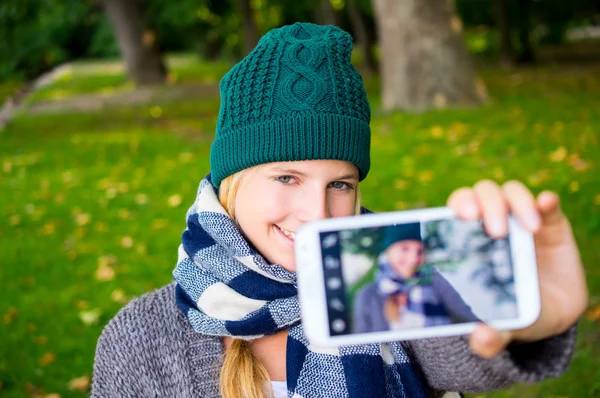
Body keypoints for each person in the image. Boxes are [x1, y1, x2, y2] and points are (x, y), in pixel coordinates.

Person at [92, 23, 588, 398]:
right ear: (231, 184)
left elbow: (466, 348)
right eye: (286, 177)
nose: (319, 213)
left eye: (340, 184)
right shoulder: (141, 340)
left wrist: (531, 312)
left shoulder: (392, 282)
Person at [354, 223, 479, 333]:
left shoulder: (433, 280)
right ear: (388, 251)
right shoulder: (367, 294)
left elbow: (466, 316)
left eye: (419, 251)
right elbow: (361, 344)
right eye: (404, 249)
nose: (414, 259)